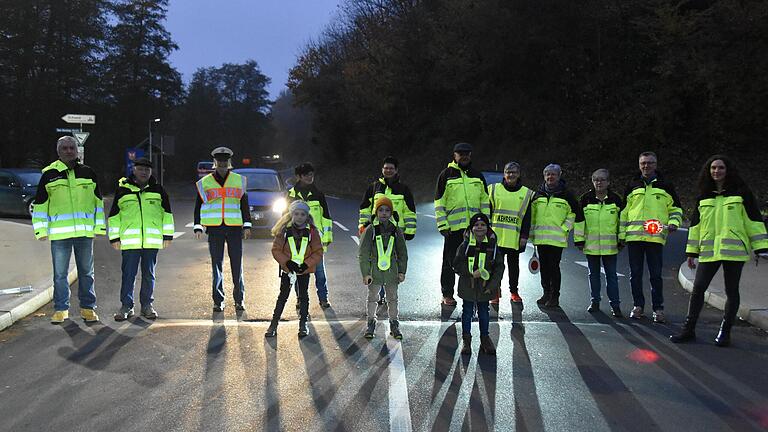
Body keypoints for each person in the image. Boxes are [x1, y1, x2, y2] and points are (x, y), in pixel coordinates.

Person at [670, 155, 768, 347]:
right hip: (709, 251)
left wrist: (761, 247)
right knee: (698, 289)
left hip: (734, 251)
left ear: (728, 170)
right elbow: (696, 227)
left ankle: (725, 332)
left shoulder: (742, 194)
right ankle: (688, 330)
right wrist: (691, 252)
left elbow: (753, 221)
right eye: (713, 168)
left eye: (720, 168)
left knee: (731, 291)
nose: (717, 171)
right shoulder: (703, 196)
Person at [32, 136, 105, 324]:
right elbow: (40, 205)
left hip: (84, 233)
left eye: (72, 148)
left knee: (87, 273)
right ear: (58, 151)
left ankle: (88, 308)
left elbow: (97, 203)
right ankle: (61, 309)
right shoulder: (49, 174)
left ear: (77, 150)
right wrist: (40, 230)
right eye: (64, 148)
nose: (68, 151)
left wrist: (99, 227)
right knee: (59, 274)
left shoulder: (88, 173)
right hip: (60, 234)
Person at [108, 157, 174, 321]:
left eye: (147, 169)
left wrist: (167, 235)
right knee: (128, 275)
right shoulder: (123, 190)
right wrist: (114, 237)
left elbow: (167, 215)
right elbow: (114, 216)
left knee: (149, 275)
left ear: (151, 171)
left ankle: (147, 306)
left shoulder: (159, 190)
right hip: (130, 242)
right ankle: (126, 307)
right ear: (134, 170)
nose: (144, 172)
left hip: (151, 241)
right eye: (141, 169)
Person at [620, 151, 682, 323]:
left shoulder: (665, 185)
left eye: (650, 163)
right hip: (634, 238)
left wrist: (674, 222)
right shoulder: (632, 184)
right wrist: (621, 235)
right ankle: (638, 306)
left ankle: (658, 309)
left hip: (655, 238)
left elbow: (676, 209)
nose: (646, 166)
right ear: (639, 165)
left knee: (655, 275)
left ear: (656, 164)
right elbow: (624, 212)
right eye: (643, 163)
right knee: (635, 274)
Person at [193, 147, 251, 312]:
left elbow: (244, 204)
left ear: (229, 162)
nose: (223, 163)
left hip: (234, 228)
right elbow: (198, 205)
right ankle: (218, 301)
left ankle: (239, 300)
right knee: (216, 265)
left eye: (225, 161)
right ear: (215, 162)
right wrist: (197, 226)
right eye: (220, 161)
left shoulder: (239, 180)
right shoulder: (205, 182)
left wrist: (247, 224)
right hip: (215, 228)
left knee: (236, 265)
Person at [434, 142, 490, 306]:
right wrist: (443, 225)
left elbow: (485, 202)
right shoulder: (446, 175)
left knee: (476, 262)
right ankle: (447, 294)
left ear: (470, 155)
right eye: (460, 153)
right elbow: (439, 202)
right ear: (454, 155)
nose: (464, 156)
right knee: (450, 262)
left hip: (475, 230)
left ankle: (474, 292)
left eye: (467, 153)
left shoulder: (478, 176)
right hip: (453, 229)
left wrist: (486, 226)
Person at [358, 156, 417, 305]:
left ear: (396, 170)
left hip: (396, 233)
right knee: (377, 260)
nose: (388, 170)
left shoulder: (404, 189)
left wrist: (410, 230)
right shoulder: (374, 187)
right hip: (376, 232)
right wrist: (363, 226)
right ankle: (378, 293)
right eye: (386, 168)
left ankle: (388, 294)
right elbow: (365, 208)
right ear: (382, 169)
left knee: (392, 263)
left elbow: (410, 211)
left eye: (391, 168)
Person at [265, 200, 323, 338]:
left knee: (303, 297)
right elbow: (276, 250)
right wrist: (287, 263)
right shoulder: (284, 230)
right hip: (288, 270)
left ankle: (303, 324)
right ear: (291, 215)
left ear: (307, 216)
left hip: (304, 270)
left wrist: (306, 264)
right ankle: (273, 325)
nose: (299, 217)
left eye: (302, 214)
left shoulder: (312, 232)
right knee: (282, 297)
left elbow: (318, 252)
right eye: (296, 214)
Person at [530, 164, 584, 308]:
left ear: (559, 176)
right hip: (540, 238)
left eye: (553, 174)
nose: (550, 177)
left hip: (556, 239)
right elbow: (532, 215)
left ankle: (555, 297)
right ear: (544, 176)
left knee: (554, 268)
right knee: (544, 268)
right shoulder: (538, 194)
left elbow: (574, 214)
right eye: (547, 174)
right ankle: (546, 293)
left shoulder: (567, 195)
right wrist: (531, 232)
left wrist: (564, 228)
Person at [453, 213, 504, 355]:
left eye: (483, 225)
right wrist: (470, 273)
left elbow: (499, 267)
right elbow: (456, 264)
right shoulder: (465, 245)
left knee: (484, 312)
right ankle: (466, 340)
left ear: (487, 228)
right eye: (476, 225)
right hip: (467, 286)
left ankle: (485, 339)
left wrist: (492, 286)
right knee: (467, 312)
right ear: (471, 228)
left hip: (485, 288)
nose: (479, 227)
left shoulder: (493, 246)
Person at [576, 169, 624, 317]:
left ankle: (615, 306)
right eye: (596, 179)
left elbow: (622, 221)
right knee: (593, 275)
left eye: (602, 179)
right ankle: (595, 302)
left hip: (611, 247)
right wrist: (579, 240)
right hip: (591, 246)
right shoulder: (585, 199)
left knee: (612, 276)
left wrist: (622, 239)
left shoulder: (616, 199)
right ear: (592, 181)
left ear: (608, 182)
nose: (599, 182)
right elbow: (579, 221)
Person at [359, 197, 408, 340]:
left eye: (387, 210)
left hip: (392, 272)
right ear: (376, 212)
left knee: (392, 299)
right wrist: (365, 273)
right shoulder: (371, 230)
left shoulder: (396, 230)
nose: (384, 213)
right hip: (375, 272)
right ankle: (371, 322)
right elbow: (363, 253)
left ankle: (394, 323)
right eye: (381, 210)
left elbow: (402, 253)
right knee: (373, 298)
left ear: (391, 213)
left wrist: (402, 271)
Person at [286, 162, 334, 308]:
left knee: (320, 273)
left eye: (312, 175)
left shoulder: (318, 194)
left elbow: (326, 217)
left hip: (315, 240)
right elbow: (285, 217)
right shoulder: (291, 195)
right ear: (299, 176)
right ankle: (300, 299)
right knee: (299, 272)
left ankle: (323, 298)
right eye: (307, 175)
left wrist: (326, 240)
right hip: (297, 240)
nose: (310, 177)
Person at [487, 161, 533, 305]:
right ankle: (495, 292)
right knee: (495, 267)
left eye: (514, 172)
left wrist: (524, 237)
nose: (510, 174)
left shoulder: (526, 193)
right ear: (504, 173)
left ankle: (514, 292)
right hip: (496, 237)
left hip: (514, 238)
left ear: (519, 174)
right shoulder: (493, 189)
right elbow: (486, 213)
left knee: (514, 267)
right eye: (508, 172)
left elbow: (527, 218)